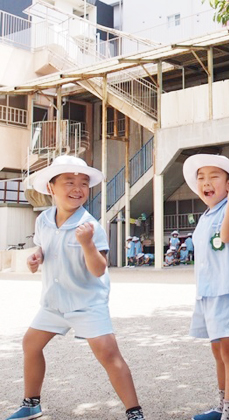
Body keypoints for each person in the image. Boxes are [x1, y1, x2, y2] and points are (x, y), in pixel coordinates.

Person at [5, 155, 145, 420]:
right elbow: (45, 247)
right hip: (54, 301)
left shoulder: (90, 226)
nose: (77, 188)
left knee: (109, 354)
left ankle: (134, 412)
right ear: (51, 188)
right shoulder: (44, 220)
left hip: (87, 302)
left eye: (83, 183)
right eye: (69, 182)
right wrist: (38, 257)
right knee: (30, 344)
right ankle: (31, 403)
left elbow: (99, 268)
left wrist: (87, 244)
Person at [183, 154, 229, 420]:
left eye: (214, 176)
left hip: (228, 288)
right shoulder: (206, 214)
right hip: (207, 291)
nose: (205, 182)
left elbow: (225, 237)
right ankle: (221, 406)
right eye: (201, 177)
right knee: (217, 351)